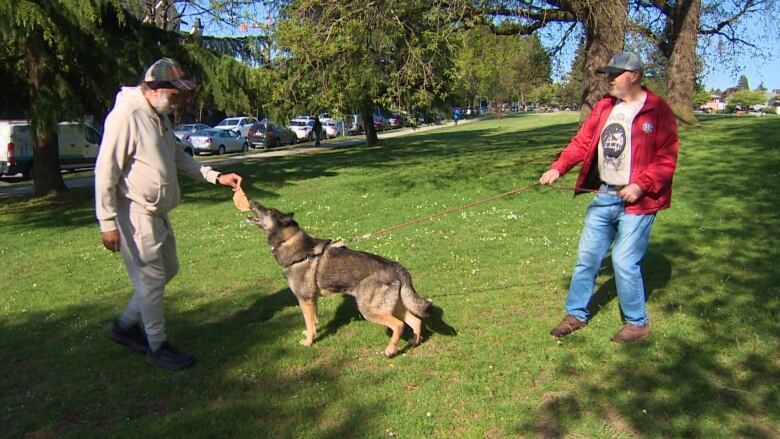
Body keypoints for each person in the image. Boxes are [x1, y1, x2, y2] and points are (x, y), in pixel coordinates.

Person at [95, 58, 243, 370]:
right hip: (134, 213)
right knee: (151, 280)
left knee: (168, 270)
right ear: (158, 89)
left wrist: (215, 176)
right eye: (178, 94)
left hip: (158, 213)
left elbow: (177, 156)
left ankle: (125, 326)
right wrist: (107, 221)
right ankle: (158, 346)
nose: (182, 100)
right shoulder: (127, 114)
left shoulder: (158, 116)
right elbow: (106, 169)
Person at [538, 51, 679, 343]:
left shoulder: (657, 110)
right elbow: (582, 142)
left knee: (624, 261)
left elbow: (666, 158)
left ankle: (637, 323)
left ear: (635, 76)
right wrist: (558, 167)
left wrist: (641, 185)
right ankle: (576, 314)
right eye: (608, 74)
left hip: (638, 202)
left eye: (616, 73)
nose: (610, 79)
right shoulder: (605, 107)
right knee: (587, 258)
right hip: (604, 195)